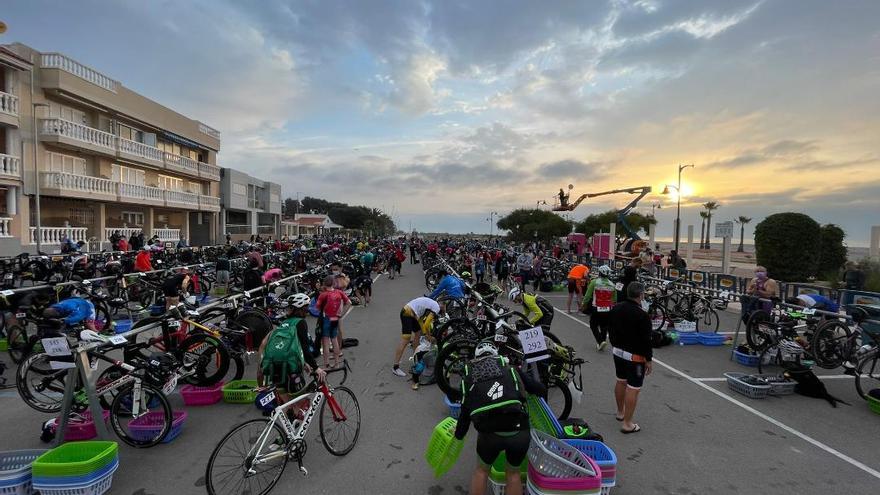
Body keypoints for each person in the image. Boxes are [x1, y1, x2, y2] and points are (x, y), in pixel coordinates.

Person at [455, 342, 545, 495]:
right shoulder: (510, 369)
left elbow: (465, 413)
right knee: (513, 474)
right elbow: (539, 389)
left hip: (489, 433)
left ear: (476, 358)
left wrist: (458, 434)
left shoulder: (469, 377)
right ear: (497, 356)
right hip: (518, 429)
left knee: (481, 471)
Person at [257, 298, 326, 416]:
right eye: (306, 308)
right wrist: (316, 367)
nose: (308, 310)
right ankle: (292, 428)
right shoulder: (300, 323)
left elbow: (268, 344)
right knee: (299, 402)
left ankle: (283, 431)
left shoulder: (283, 323)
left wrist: (260, 373)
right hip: (291, 368)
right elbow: (304, 347)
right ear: (301, 309)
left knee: (287, 404)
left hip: (274, 367)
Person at [608, 282, 653, 434]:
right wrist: (648, 359)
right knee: (633, 388)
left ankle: (620, 412)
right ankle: (628, 423)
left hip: (618, 352)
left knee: (620, 380)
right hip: (635, 357)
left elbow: (610, 328)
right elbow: (646, 340)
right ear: (641, 295)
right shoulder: (642, 315)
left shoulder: (616, 308)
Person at [393, 296, 440, 378]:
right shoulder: (436, 308)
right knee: (406, 340)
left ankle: (416, 358)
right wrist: (429, 336)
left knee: (418, 334)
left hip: (411, 313)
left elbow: (421, 321)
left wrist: (426, 334)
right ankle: (395, 367)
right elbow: (426, 324)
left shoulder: (432, 304)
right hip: (407, 314)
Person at [316, 275, 351, 369]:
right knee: (334, 340)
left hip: (326, 319)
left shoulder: (323, 295)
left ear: (324, 283)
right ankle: (337, 362)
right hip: (335, 318)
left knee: (325, 342)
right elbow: (349, 303)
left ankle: (326, 363)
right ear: (334, 283)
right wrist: (341, 313)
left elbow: (318, 307)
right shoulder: (339, 292)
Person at [583, 265, 617, 351]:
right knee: (604, 326)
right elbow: (615, 299)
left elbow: (587, 295)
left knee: (593, 324)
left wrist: (584, 304)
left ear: (600, 273)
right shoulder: (612, 284)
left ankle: (600, 341)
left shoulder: (594, 282)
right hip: (608, 308)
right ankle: (602, 341)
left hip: (596, 307)